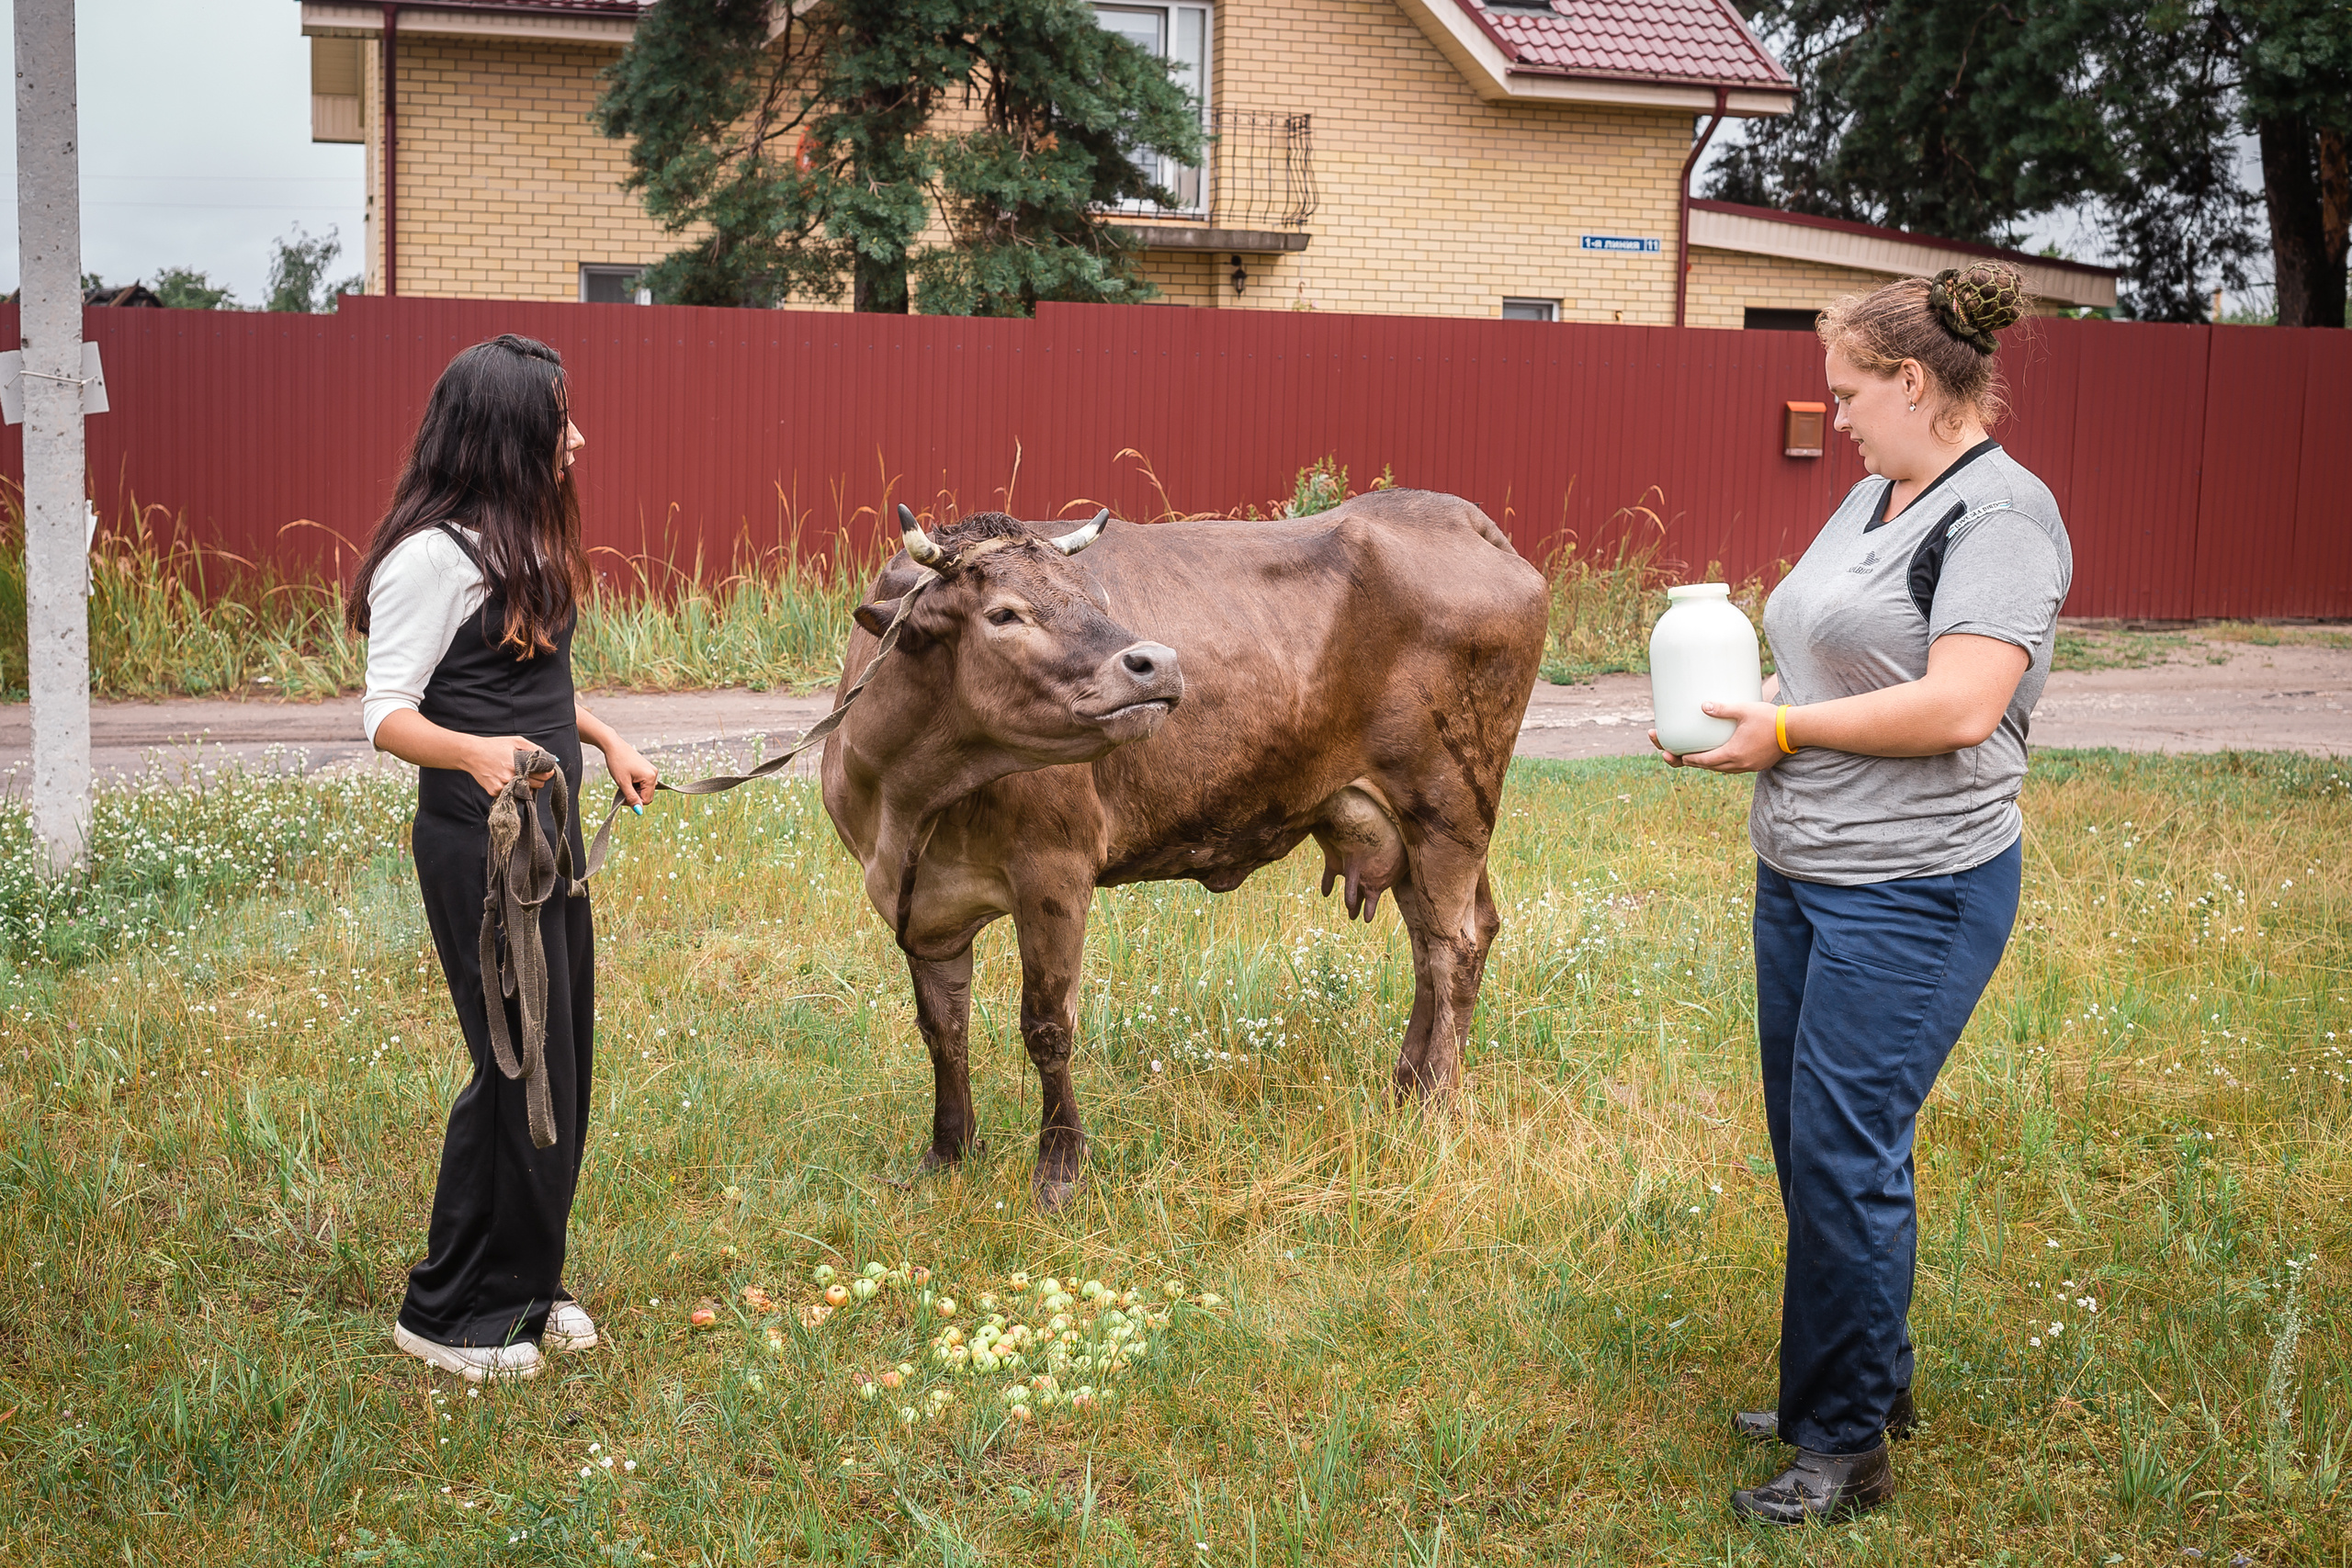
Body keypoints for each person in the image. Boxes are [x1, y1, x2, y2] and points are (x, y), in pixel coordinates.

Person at [1650, 263, 2070, 1524]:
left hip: (1917, 885)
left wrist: (1780, 729)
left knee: (1846, 1154)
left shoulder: (2000, 516)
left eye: (1846, 392)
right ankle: (1851, 1377)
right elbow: (1840, 636)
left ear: (1911, 380)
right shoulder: (1882, 489)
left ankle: (1843, 1449)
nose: (1831, 415)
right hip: (1810, 871)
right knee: (1812, 1144)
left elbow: (1962, 703)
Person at [350, 333, 659, 1382]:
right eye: (560, 421)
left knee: (559, 1067)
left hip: (549, 839)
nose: (579, 437)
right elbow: (386, 713)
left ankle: (530, 1280)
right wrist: (474, 753)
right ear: (508, 435)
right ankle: (447, 1315)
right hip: (479, 854)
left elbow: (532, 685)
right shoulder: (429, 556)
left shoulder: (517, 544)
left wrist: (607, 740)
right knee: (513, 1068)